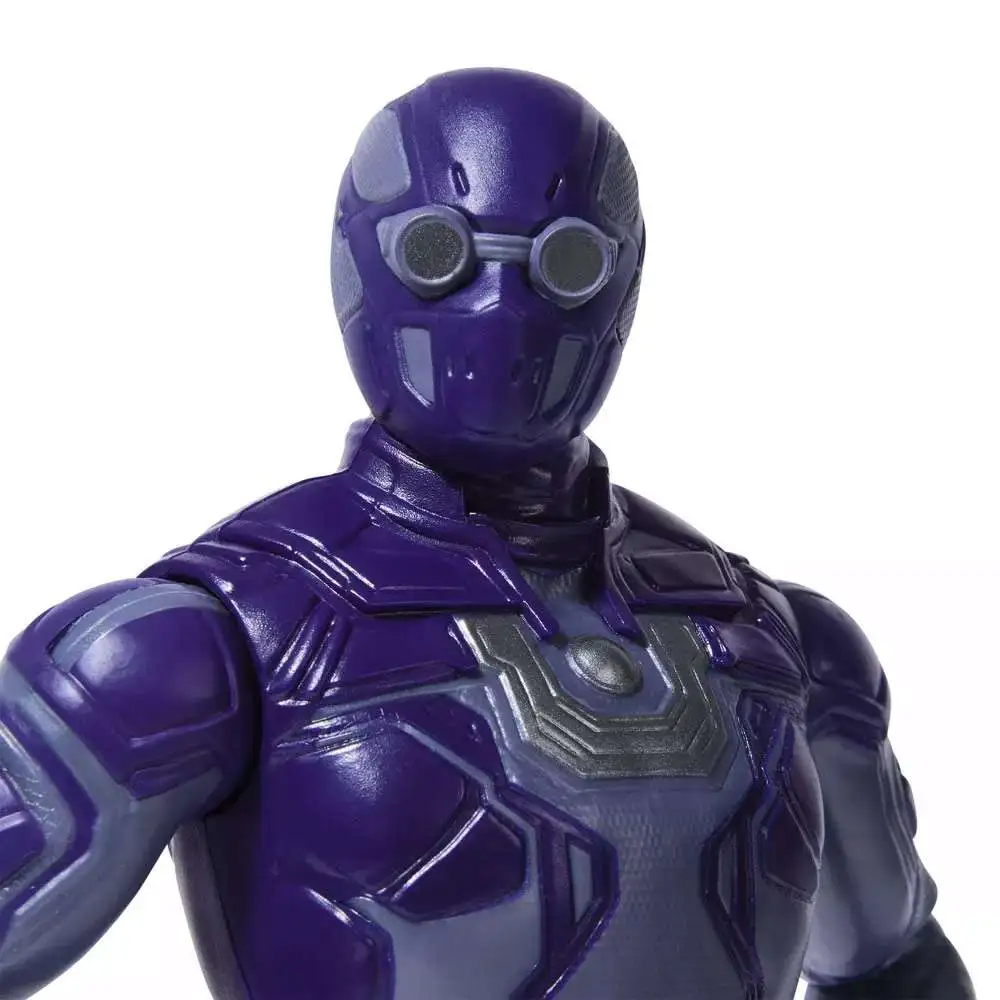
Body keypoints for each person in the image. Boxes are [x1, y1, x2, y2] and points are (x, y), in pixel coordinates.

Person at [0, 68, 975, 1000]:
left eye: (564, 262)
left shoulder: (776, 638)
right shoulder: (212, 640)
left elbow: (896, 967)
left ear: (623, 277)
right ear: (357, 262)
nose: (502, 312)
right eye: (440, 255)